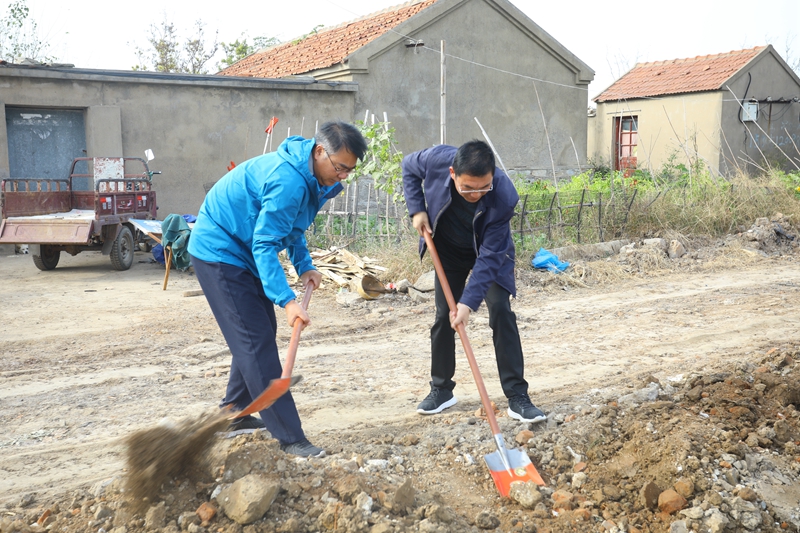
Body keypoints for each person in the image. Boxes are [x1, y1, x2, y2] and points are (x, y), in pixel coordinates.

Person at [188, 121, 367, 457]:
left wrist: (305, 265)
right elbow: (265, 243)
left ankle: (233, 413)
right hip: (220, 250)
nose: (343, 175)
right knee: (255, 341)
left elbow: (292, 227)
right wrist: (287, 301)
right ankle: (290, 438)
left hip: (242, 248)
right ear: (319, 152)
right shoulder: (289, 181)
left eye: (349, 170)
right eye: (340, 167)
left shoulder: (311, 176)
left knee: (257, 333)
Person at [402, 140, 546, 423]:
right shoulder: (437, 159)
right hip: (448, 251)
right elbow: (408, 166)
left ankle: (517, 395)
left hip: (489, 252)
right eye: (467, 188)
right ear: (452, 173)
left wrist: (468, 303)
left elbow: (489, 258)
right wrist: (417, 209)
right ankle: (441, 389)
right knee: (444, 316)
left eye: (483, 187)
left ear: (493, 176)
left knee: (501, 311)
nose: (476, 194)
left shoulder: (503, 195)